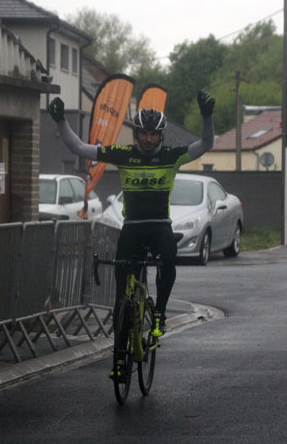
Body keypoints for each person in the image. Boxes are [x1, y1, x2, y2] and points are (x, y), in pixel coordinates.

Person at [48, 91, 215, 375]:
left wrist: (207, 116)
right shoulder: (123, 155)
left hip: (160, 225)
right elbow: (78, 148)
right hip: (132, 229)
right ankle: (120, 356)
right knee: (121, 297)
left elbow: (206, 144)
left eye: (153, 135)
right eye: (143, 134)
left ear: (161, 136)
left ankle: (160, 312)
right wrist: (61, 120)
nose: (148, 139)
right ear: (135, 134)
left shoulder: (172, 156)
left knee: (167, 259)